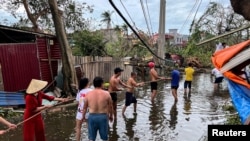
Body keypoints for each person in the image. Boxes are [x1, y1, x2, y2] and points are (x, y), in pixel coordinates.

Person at [82, 76, 113, 141]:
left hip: (92, 117)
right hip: (103, 117)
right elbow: (110, 107)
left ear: (94, 84)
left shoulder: (88, 94)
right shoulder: (107, 94)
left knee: (91, 138)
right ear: (101, 83)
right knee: (104, 138)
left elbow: (84, 107)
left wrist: (83, 117)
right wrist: (111, 116)